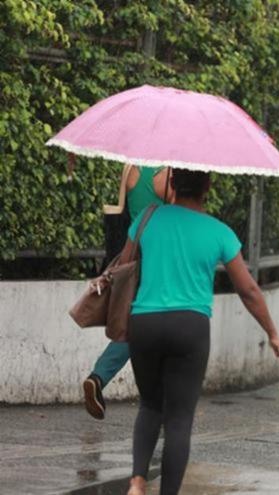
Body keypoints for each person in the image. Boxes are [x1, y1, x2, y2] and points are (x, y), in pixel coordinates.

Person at [123, 169, 279, 495]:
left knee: (150, 405)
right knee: (179, 417)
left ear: (171, 183)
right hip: (190, 326)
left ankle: (137, 481)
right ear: (208, 187)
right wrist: (272, 331)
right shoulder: (220, 232)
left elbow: (126, 264)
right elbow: (249, 290)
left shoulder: (148, 217)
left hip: (144, 322)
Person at [83, 165, 174, 420]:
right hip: (161, 261)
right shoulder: (164, 175)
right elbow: (182, 212)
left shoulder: (130, 169)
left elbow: (129, 215)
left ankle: (99, 376)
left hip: (134, 256)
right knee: (161, 325)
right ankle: (159, 399)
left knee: (134, 326)